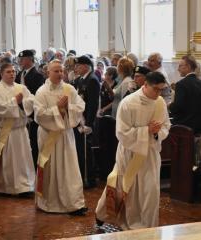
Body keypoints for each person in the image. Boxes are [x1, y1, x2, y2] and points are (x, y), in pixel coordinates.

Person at [95, 72, 171, 230]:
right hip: (130, 153)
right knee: (124, 188)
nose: (158, 93)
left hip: (150, 154)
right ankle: (102, 215)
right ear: (145, 85)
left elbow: (166, 126)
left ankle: (147, 227)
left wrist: (156, 132)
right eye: (156, 89)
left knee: (150, 192)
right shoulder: (128, 103)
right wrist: (146, 130)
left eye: (161, 90)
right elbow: (122, 133)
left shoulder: (160, 103)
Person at [34, 60, 87, 215]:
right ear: (48, 72)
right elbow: (39, 114)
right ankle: (49, 202)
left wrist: (67, 108)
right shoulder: (41, 92)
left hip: (65, 135)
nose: (59, 74)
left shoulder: (69, 89)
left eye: (61, 71)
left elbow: (80, 106)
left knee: (69, 169)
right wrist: (57, 108)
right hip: (48, 135)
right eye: (56, 71)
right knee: (50, 168)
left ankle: (74, 203)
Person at [0, 63, 35, 194]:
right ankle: (4, 185)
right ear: (1, 74)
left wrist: (23, 102)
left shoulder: (21, 87)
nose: (12, 74)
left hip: (20, 130)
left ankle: (24, 185)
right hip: (4, 131)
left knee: (21, 159)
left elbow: (31, 101)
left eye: (13, 71)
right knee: (6, 161)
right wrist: (15, 101)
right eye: (8, 72)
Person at [72, 55, 100, 188]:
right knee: (80, 149)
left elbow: (93, 104)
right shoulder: (81, 80)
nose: (76, 68)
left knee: (86, 150)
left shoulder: (92, 80)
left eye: (78, 65)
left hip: (86, 121)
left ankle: (89, 178)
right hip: (79, 119)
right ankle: (82, 175)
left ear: (86, 66)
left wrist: (89, 124)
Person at [15, 49, 45, 168]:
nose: (20, 61)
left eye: (22, 59)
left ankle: (34, 166)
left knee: (33, 142)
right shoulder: (19, 74)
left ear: (29, 60)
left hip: (32, 114)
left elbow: (37, 95)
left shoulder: (37, 76)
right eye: (20, 59)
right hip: (20, 111)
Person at [169, 55, 201, 134]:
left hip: (184, 125)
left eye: (180, 66)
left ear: (188, 67)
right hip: (198, 126)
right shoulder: (199, 82)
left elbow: (178, 107)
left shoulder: (181, 84)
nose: (178, 69)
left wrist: (169, 106)